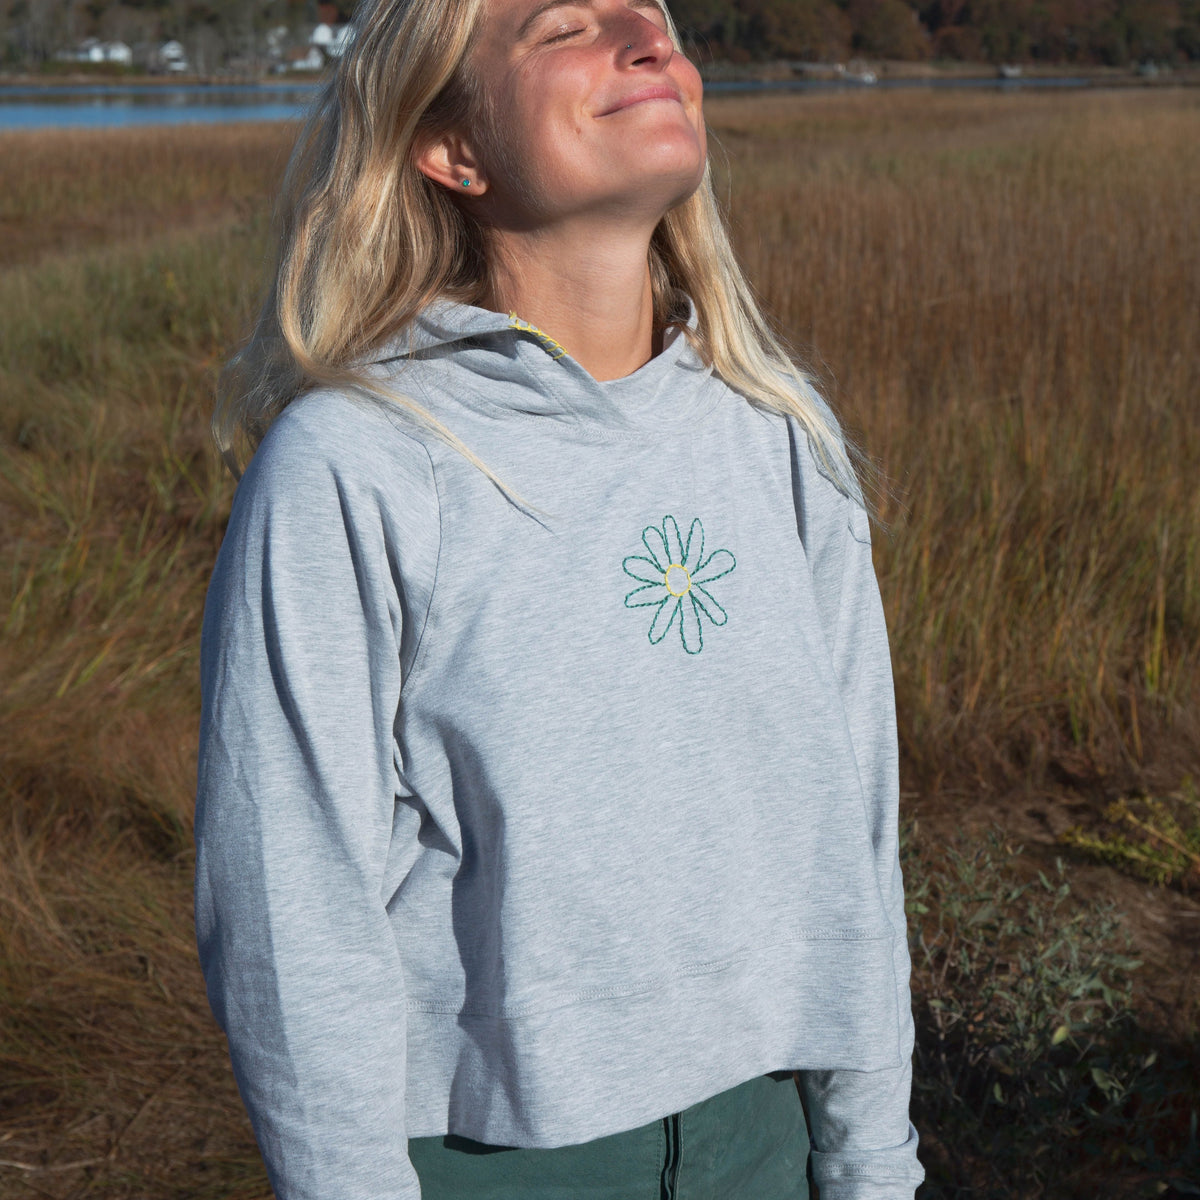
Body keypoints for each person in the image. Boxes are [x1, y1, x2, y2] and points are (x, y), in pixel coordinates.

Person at [193, 0, 926, 1197]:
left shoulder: (779, 435)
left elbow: (857, 837)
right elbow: (290, 908)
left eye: (653, 14)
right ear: (453, 148)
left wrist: (873, 1161)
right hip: (494, 1161)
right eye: (564, 26)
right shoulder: (360, 462)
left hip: (773, 1135)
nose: (649, 39)